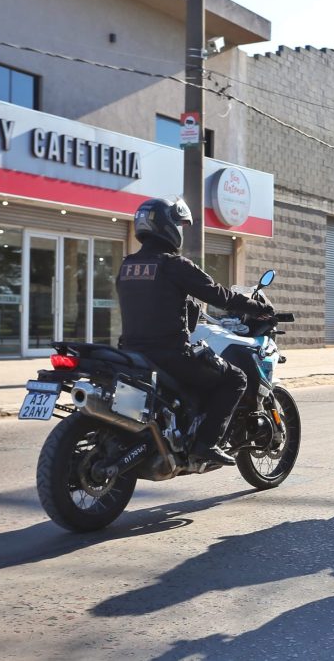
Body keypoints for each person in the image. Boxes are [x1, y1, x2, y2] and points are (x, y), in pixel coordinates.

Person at [116, 196, 273, 466]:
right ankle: (206, 443)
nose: (181, 229)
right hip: (170, 355)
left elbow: (154, 302)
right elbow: (219, 295)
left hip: (132, 353)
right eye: (179, 223)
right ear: (168, 226)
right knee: (234, 378)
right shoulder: (174, 265)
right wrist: (255, 305)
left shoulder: (127, 266)